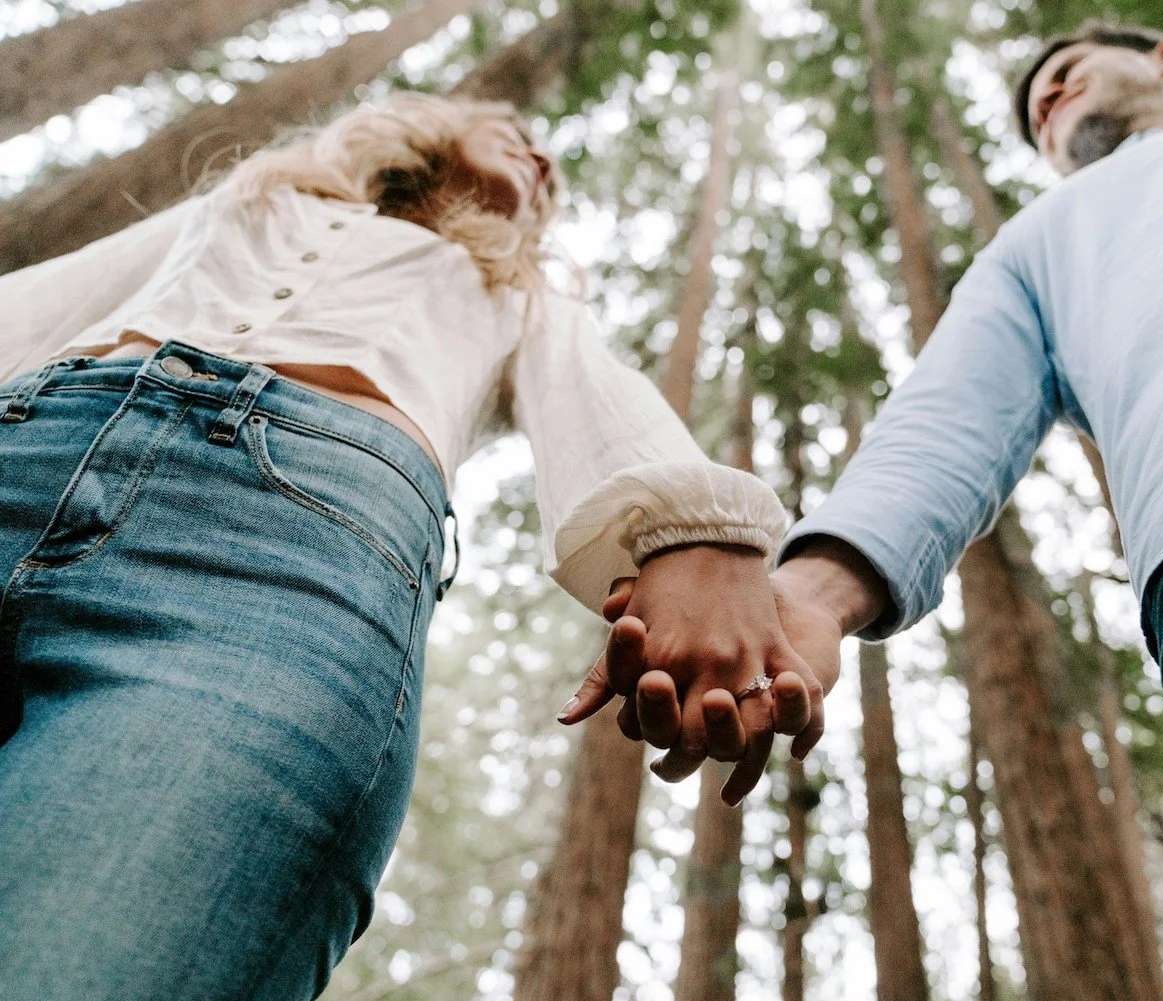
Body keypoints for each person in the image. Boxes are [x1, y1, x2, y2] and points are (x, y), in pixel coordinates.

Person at [572, 22, 1163, 1000]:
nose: (1048, 101)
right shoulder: (1040, 245)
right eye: (1033, 113)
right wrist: (808, 594)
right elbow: (945, 423)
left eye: (1065, 74)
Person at [0, 93, 820, 999]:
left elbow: (592, 387)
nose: (541, 160)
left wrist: (700, 536)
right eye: (518, 132)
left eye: (551, 172)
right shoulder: (255, 199)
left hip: (282, 559)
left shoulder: (516, 288)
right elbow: (46, 297)